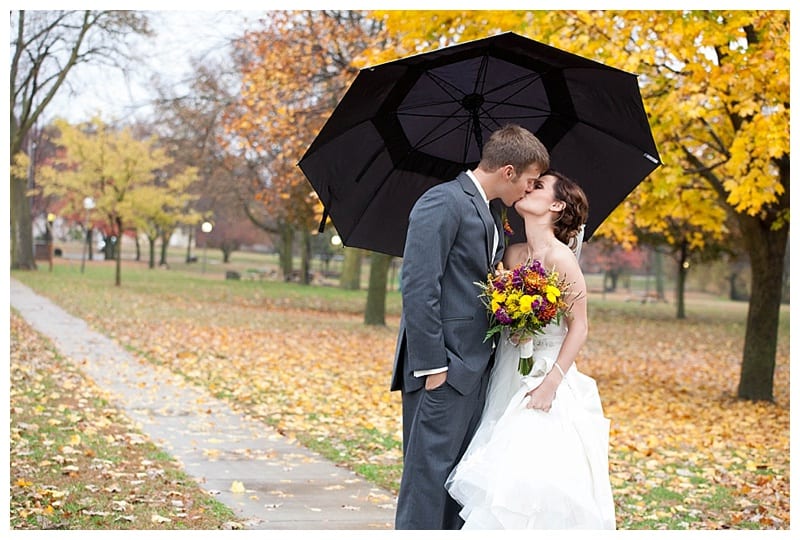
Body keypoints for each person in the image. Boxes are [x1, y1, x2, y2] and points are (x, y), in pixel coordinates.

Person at [391, 124, 550, 530]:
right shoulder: (442, 201)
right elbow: (418, 284)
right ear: (509, 171)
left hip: (476, 367)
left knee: (458, 481)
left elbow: (469, 280)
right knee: (427, 480)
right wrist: (433, 366)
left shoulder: (491, 210)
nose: (530, 191)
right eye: (530, 181)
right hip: (443, 368)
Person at [446, 170, 616, 529]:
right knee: (497, 466)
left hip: (542, 375)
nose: (528, 187)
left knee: (527, 474)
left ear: (555, 204)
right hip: (508, 367)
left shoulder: (561, 259)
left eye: (538, 186)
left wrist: (550, 383)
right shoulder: (512, 253)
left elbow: (580, 326)